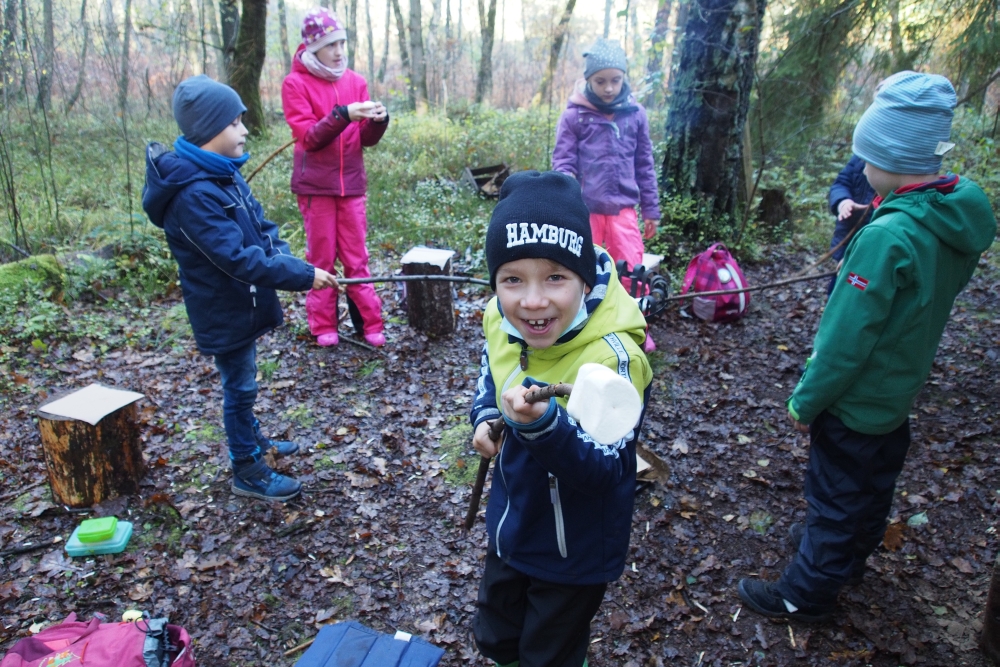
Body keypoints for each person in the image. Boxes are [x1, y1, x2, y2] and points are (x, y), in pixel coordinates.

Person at [737, 72, 997, 622]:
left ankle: (803, 593)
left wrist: (806, 401)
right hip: (897, 393)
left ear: (889, 157)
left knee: (833, 497)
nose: (862, 171)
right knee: (873, 484)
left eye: (866, 159)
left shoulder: (887, 236)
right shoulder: (952, 213)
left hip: (854, 402)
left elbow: (845, 341)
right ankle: (848, 557)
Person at [469, 171, 653, 666]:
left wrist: (543, 425)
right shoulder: (499, 318)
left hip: (575, 546)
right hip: (513, 522)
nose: (532, 300)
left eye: (555, 276)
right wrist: (486, 418)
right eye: (513, 279)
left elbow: (607, 469)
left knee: (548, 655)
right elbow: (492, 375)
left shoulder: (614, 358)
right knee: (496, 639)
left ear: (584, 278)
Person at [142, 75, 339, 502]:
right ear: (209, 131)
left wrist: (292, 262)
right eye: (234, 123)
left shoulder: (224, 174)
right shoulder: (193, 195)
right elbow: (234, 257)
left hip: (245, 302)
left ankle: (254, 440)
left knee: (246, 381)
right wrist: (302, 278)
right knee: (240, 387)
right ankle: (246, 466)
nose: (244, 130)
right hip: (222, 309)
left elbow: (263, 230)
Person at [281, 7, 389, 348]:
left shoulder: (355, 81)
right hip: (316, 188)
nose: (339, 51)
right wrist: (342, 114)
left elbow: (365, 140)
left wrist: (377, 121)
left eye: (342, 42)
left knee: (358, 258)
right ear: (313, 48)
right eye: (331, 45)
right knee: (321, 258)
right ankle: (323, 324)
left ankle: (369, 323)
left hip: (352, 186)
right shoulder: (294, 84)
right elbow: (309, 138)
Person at [552, 38, 660, 352]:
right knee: (585, 268)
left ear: (624, 78)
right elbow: (563, 162)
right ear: (588, 80)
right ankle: (586, 328)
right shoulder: (575, 115)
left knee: (631, 269)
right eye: (600, 81)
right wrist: (565, 197)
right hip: (586, 210)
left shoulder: (635, 114)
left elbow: (644, 164)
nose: (609, 88)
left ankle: (636, 327)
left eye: (615, 80)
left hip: (624, 210)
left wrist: (650, 210)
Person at [825, 155, 875, 293]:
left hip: (868, 252)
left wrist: (855, 257)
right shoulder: (859, 158)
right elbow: (841, 183)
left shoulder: (895, 169)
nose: (865, 170)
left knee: (858, 287)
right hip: (847, 239)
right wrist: (843, 201)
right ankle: (834, 311)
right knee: (837, 287)